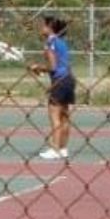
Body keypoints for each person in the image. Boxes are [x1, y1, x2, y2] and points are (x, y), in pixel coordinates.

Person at [29, 16, 75, 160]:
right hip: (69, 80)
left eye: (43, 25)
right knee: (65, 117)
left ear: (50, 28)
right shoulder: (62, 42)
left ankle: (55, 149)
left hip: (59, 81)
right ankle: (63, 148)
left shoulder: (50, 43)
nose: (40, 28)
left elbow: (52, 67)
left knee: (54, 116)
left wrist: (37, 67)